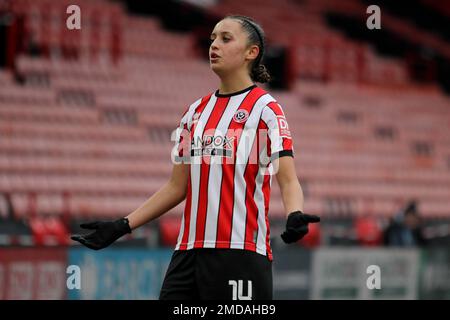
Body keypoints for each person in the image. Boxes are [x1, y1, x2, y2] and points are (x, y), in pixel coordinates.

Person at [71, 15, 320, 300]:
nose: (214, 45)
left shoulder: (266, 109)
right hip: (187, 253)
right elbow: (177, 187)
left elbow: (288, 179)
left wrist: (294, 213)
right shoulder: (194, 113)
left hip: (240, 254)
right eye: (213, 38)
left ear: (252, 53)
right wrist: (122, 225)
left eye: (226, 39)